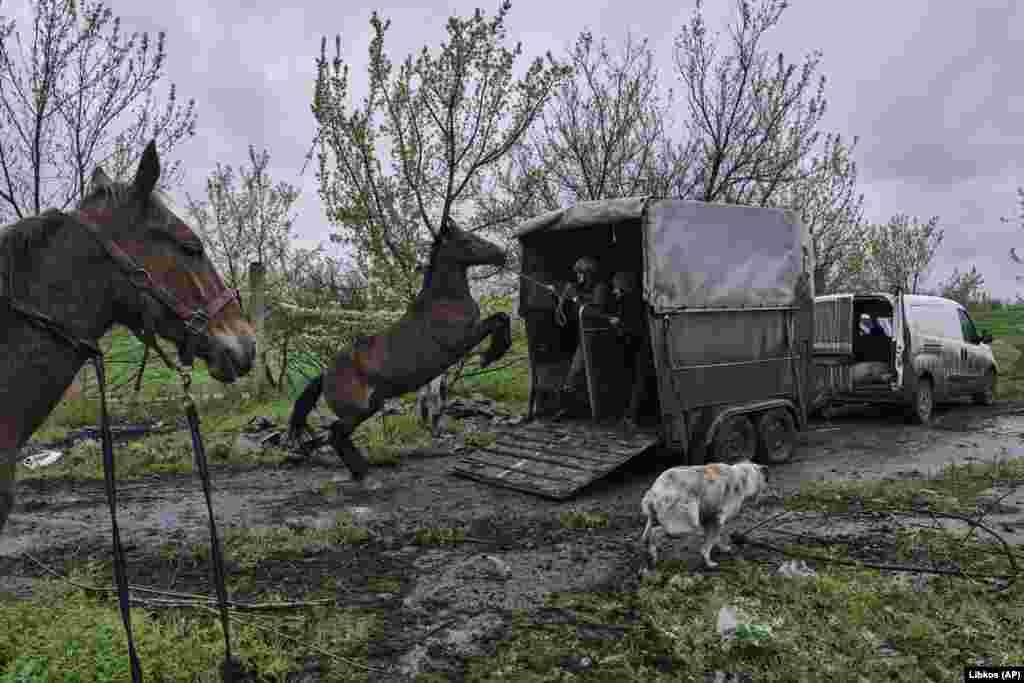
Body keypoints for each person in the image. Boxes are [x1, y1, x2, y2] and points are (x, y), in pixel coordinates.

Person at [554, 256, 612, 418]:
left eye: (580, 273)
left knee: (577, 372)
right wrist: (563, 295)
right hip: (584, 336)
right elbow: (568, 312)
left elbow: (595, 311)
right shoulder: (581, 289)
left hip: (597, 336)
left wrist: (575, 299)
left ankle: (571, 409)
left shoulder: (600, 288)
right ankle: (575, 408)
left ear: (589, 274)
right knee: (578, 373)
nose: (578, 276)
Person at [606, 271, 654, 429]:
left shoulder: (628, 302)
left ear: (623, 287)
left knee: (637, 381)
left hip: (638, 346)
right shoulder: (635, 301)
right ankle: (633, 415)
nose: (614, 291)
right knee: (638, 381)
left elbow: (631, 328)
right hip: (640, 345)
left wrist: (618, 324)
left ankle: (631, 417)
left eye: (616, 288)